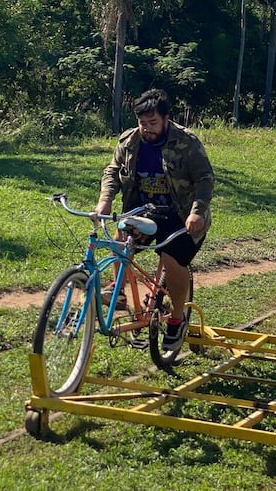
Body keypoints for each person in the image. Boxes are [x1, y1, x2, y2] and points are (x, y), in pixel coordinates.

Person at [95, 88, 215, 359]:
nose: (147, 129)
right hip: (144, 210)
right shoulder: (129, 140)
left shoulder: (187, 142)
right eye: (142, 123)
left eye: (153, 123)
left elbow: (205, 179)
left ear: (166, 118)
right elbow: (112, 170)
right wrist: (106, 200)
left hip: (182, 215)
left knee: (172, 260)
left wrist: (197, 212)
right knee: (120, 240)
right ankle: (119, 292)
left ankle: (176, 318)